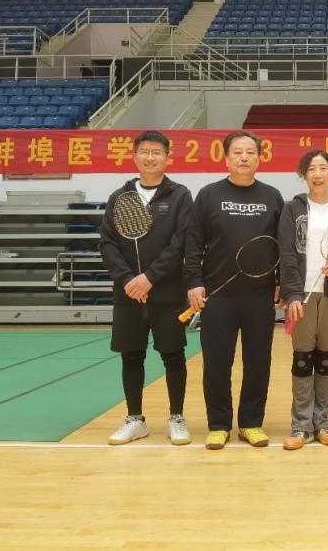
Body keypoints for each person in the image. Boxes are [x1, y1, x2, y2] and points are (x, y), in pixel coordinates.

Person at [184, 131, 285, 449]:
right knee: (217, 363)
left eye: (250, 152)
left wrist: (282, 281)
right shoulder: (208, 195)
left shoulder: (272, 196)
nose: (244, 157)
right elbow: (193, 241)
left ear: (259, 158)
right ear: (226, 158)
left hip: (260, 295)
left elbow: (283, 245)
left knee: (258, 362)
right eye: (238, 152)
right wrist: (194, 281)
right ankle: (219, 424)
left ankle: (251, 423)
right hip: (218, 295)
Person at [100, 130, 194, 446]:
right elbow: (107, 243)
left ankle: (177, 417)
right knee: (131, 356)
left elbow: (181, 242)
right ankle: (135, 419)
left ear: (168, 157)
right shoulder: (119, 197)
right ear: (135, 156)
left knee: (173, 355)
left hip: (167, 293)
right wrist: (128, 280)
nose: (150, 157)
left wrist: (150, 277)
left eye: (157, 152)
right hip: (128, 293)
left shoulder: (180, 196)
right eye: (144, 151)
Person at [277, 150, 328, 450]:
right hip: (302, 295)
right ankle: (300, 426)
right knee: (303, 358)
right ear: (304, 175)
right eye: (311, 168)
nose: (317, 174)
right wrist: (292, 294)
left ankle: (322, 423)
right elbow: (286, 254)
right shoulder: (292, 209)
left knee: (325, 358)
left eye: (323, 168)